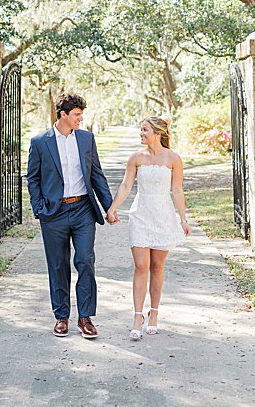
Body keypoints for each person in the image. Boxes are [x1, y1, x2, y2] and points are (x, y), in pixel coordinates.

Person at [26, 93, 115, 338]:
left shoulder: (86, 139)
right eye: (76, 114)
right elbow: (32, 178)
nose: (80, 118)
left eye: (81, 114)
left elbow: (97, 175)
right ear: (63, 114)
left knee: (85, 260)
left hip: (83, 210)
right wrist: (39, 208)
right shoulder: (40, 142)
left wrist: (109, 206)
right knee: (58, 265)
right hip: (53, 213)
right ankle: (61, 317)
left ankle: (85, 317)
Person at [106, 116, 190, 339]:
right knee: (141, 265)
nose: (141, 134)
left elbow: (177, 190)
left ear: (157, 132)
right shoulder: (136, 158)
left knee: (157, 266)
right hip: (140, 214)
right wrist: (112, 209)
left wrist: (182, 219)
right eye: (141, 130)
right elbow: (126, 185)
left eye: (144, 130)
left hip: (163, 215)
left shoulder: (173, 159)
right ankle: (137, 315)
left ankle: (154, 313)